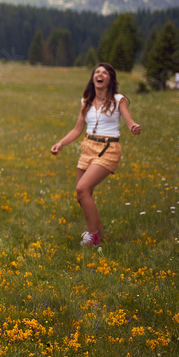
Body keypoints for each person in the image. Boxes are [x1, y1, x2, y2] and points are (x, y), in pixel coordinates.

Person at [50, 62, 141, 246]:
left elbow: (128, 119)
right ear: (93, 78)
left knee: (82, 189)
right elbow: (77, 130)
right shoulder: (86, 101)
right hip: (88, 146)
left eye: (105, 73)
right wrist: (60, 144)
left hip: (109, 148)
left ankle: (93, 238)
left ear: (110, 79)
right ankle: (99, 234)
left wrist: (133, 127)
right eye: (97, 72)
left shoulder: (118, 99)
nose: (100, 75)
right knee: (82, 196)